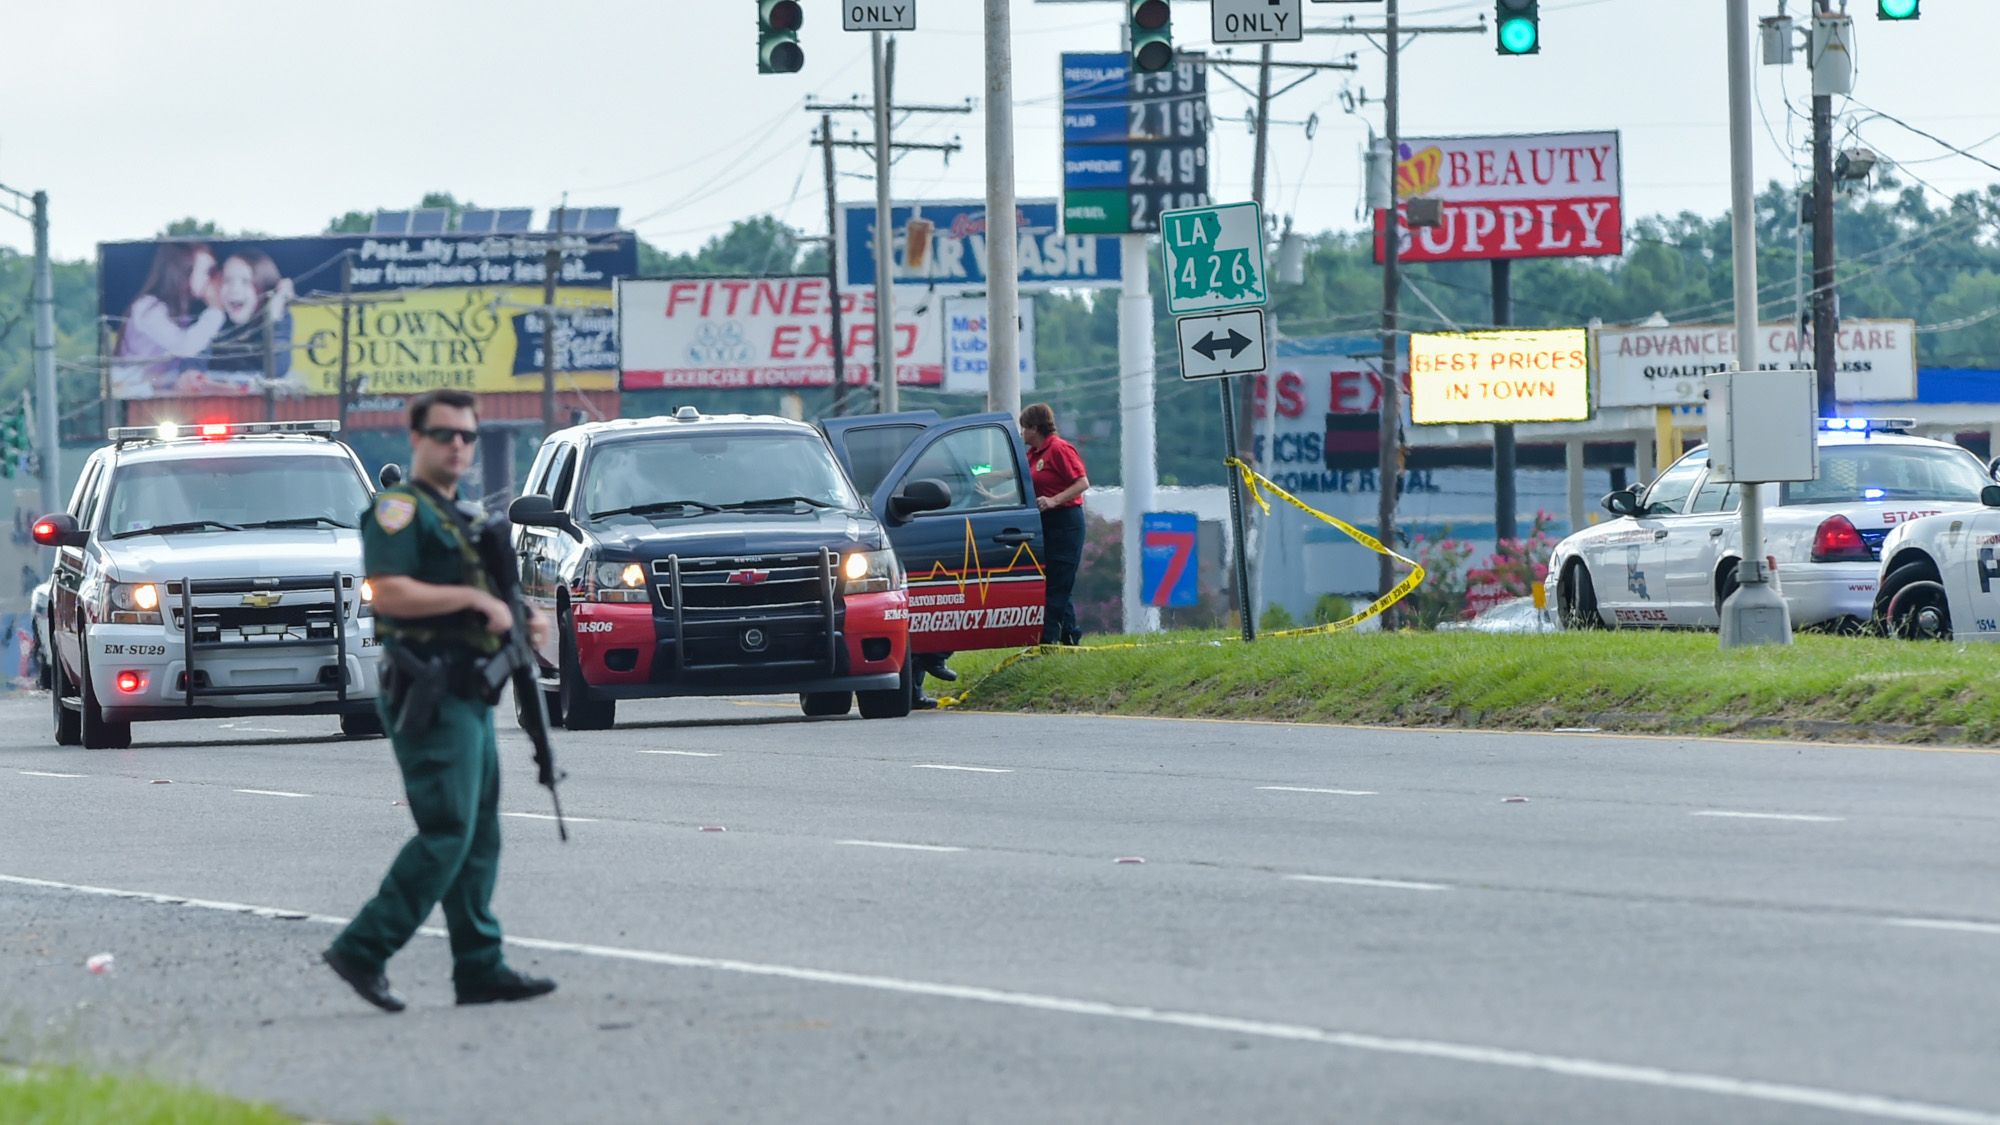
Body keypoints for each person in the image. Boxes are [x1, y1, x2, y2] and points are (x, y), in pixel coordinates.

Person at [322, 389, 557, 1013]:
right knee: (448, 829)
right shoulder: (398, 510)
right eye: (444, 434)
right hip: (429, 690)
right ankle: (363, 948)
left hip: (471, 690)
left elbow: (490, 594)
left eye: (467, 436)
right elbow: (389, 592)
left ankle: (479, 965)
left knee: (479, 834)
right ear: (417, 439)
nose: (457, 445)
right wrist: (474, 602)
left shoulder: (465, 517)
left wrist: (522, 617)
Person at [112, 243, 225, 397]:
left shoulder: (183, 309)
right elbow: (185, 347)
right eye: (208, 272)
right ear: (183, 271)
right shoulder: (147, 308)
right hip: (128, 390)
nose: (214, 280)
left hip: (153, 390)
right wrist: (216, 309)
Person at [1021, 403, 1090, 646]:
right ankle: (1069, 637)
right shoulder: (1034, 454)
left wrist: (1054, 500)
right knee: (1054, 581)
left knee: (1056, 586)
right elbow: (1027, 482)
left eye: (1024, 427)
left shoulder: (1059, 449)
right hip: (1047, 523)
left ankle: (1047, 641)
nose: (1022, 433)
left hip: (1065, 522)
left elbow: (1082, 483)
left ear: (1035, 428)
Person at [202, 250, 295, 388]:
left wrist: (274, 315)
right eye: (227, 280)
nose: (234, 289)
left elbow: (277, 370)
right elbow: (195, 360)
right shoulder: (217, 319)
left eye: (245, 282)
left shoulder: (279, 318)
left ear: (264, 287)